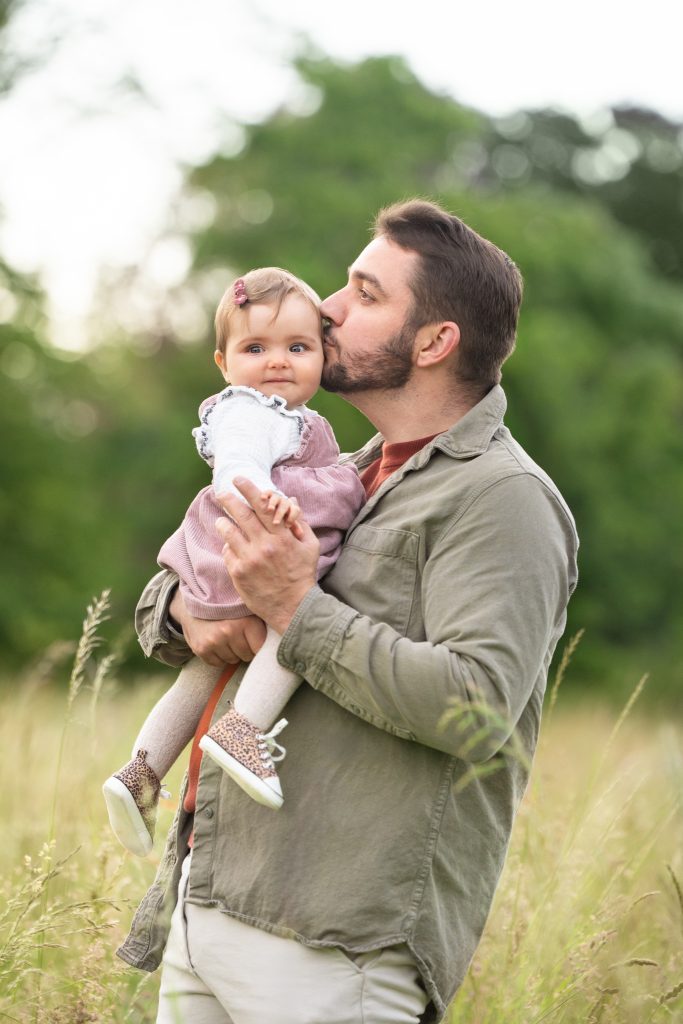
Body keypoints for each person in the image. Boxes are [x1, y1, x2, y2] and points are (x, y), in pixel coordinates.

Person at [117, 199, 578, 1024]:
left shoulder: (503, 498)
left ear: (435, 342)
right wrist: (185, 606)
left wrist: (295, 606)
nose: (326, 307)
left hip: (333, 947)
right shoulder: (330, 466)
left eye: (364, 294)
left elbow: (476, 711)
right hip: (209, 894)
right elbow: (190, 580)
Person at [103, 267, 365, 856]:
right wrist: (261, 494)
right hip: (249, 546)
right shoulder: (252, 411)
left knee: (199, 674)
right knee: (297, 630)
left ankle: (140, 773)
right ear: (223, 363)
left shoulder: (296, 421)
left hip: (237, 552)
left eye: (297, 347)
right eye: (255, 348)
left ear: (322, 355)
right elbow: (236, 465)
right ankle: (244, 730)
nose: (277, 361)